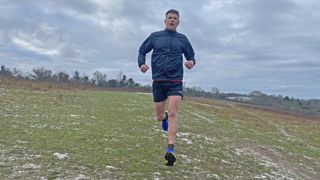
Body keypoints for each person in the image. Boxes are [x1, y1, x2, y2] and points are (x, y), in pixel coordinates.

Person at [138, 9, 196, 166]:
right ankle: (162, 118)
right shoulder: (155, 36)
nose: (172, 20)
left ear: (178, 22)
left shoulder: (183, 39)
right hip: (158, 81)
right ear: (165, 21)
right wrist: (142, 64)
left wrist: (191, 63)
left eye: (175, 18)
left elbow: (191, 57)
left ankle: (170, 149)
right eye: (169, 18)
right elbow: (142, 50)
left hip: (175, 80)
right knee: (159, 116)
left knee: (173, 113)